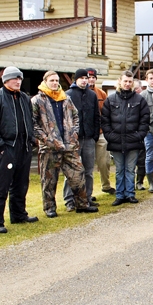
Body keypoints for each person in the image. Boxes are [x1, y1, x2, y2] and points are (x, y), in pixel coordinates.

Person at [31, 71, 97, 217]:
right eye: (52, 80)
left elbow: (75, 117)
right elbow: (33, 124)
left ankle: (82, 204)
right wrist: (46, 139)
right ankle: (49, 208)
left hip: (69, 145)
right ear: (45, 81)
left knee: (78, 175)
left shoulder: (65, 98)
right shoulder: (37, 100)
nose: (55, 83)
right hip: (49, 147)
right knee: (49, 179)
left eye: (56, 80)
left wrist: (73, 135)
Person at [0, 66, 38, 234]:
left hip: (24, 147)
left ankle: (19, 214)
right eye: (14, 78)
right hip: (6, 148)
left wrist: (31, 139)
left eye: (19, 78)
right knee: (0, 186)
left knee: (21, 183)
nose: (18, 81)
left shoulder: (24, 98)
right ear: (6, 80)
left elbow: (30, 120)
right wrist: (0, 145)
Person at [101, 71, 149, 205]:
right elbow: (105, 121)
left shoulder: (139, 100)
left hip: (133, 141)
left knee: (130, 169)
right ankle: (120, 195)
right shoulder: (110, 100)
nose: (127, 84)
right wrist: (110, 136)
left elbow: (144, 121)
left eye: (130, 81)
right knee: (119, 169)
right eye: (125, 81)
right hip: (116, 141)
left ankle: (130, 194)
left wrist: (139, 135)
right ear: (120, 82)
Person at [64, 69, 100, 211]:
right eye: (82, 78)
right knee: (71, 171)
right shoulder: (68, 95)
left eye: (87, 78)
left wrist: (95, 134)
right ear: (75, 79)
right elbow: (65, 119)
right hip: (74, 140)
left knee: (88, 170)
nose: (84, 80)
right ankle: (69, 200)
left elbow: (96, 116)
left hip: (89, 138)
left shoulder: (92, 95)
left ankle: (87, 197)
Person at [87, 68, 114, 195]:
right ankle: (87, 192)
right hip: (87, 135)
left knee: (104, 161)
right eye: (88, 77)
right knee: (86, 164)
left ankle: (106, 185)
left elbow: (108, 113)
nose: (91, 80)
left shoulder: (101, 94)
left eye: (93, 77)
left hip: (101, 132)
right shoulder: (80, 93)